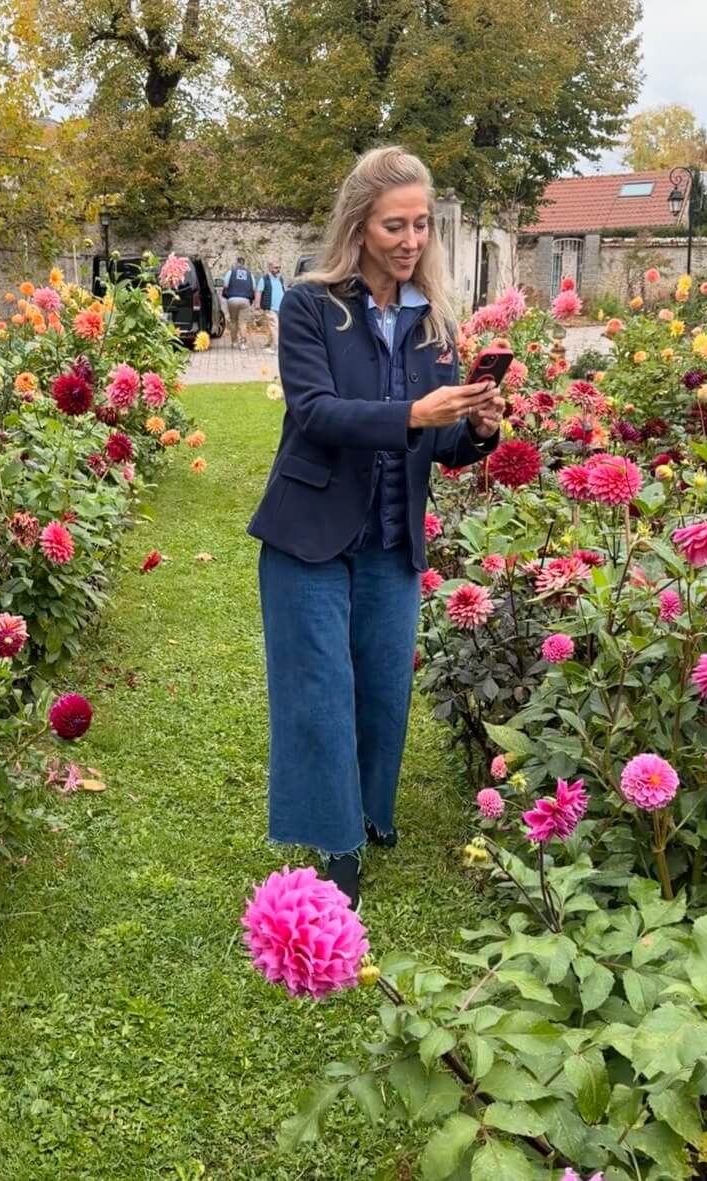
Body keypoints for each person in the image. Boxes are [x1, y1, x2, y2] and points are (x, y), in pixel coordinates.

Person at [248, 146, 504, 909]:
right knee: (322, 690)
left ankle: (365, 809)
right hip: (309, 534)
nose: (411, 239)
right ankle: (336, 847)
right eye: (395, 224)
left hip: (392, 537)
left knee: (382, 687)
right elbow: (314, 412)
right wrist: (411, 414)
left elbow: (446, 448)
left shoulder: (434, 324)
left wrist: (478, 425)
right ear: (359, 225)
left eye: (422, 224)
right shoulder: (309, 306)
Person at [222, 256, 255, 349]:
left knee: (233, 321)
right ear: (244, 263)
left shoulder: (231, 271)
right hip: (245, 300)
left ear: (237, 262)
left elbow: (225, 284)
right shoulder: (250, 274)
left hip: (232, 299)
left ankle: (234, 342)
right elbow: (253, 288)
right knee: (243, 322)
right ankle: (243, 344)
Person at [254, 260, 286, 352]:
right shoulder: (264, 279)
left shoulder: (280, 278)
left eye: (279, 267)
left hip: (281, 307)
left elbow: (284, 290)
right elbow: (258, 292)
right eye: (276, 267)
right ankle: (277, 348)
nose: (278, 269)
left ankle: (269, 344)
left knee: (274, 327)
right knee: (275, 326)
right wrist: (257, 305)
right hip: (270, 308)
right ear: (270, 268)